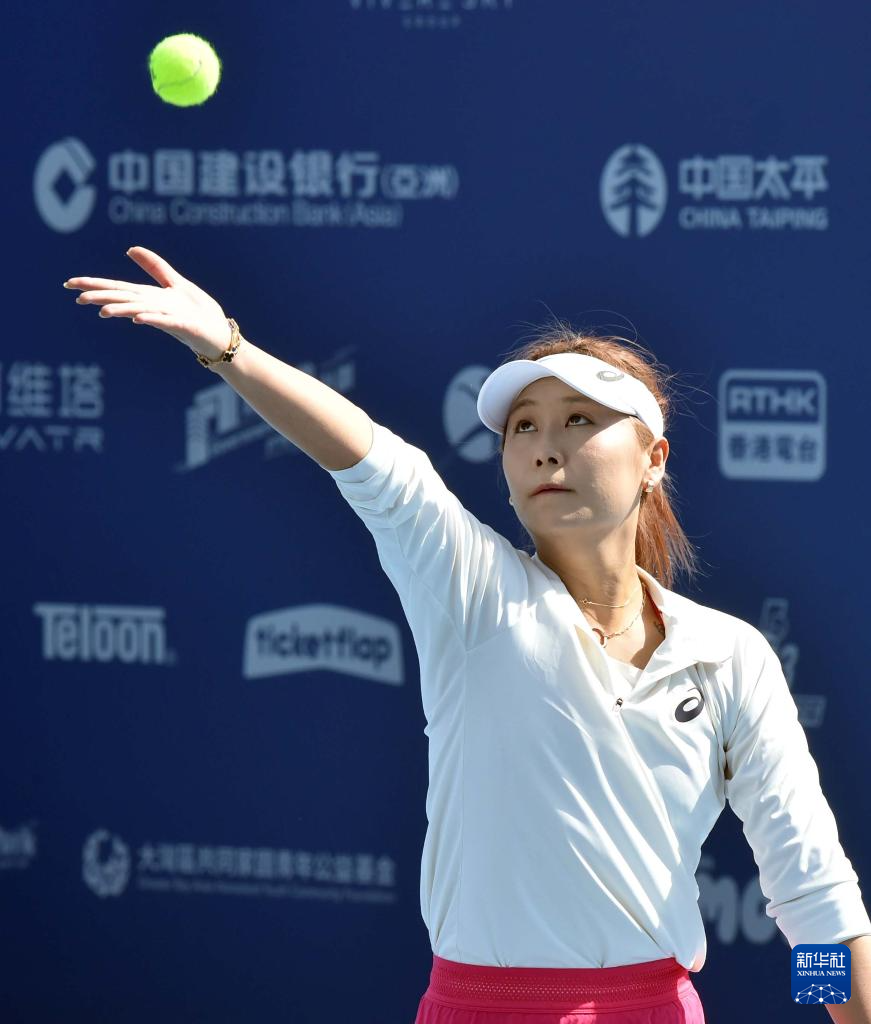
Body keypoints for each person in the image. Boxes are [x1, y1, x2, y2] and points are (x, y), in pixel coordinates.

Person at [64, 247, 871, 1024]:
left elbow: (810, 891)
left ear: (653, 457)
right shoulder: (469, 588)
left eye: (579, 419)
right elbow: (381, 469)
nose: (545, 447)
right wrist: (229, 350)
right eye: (523, 427)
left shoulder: (730, 656)